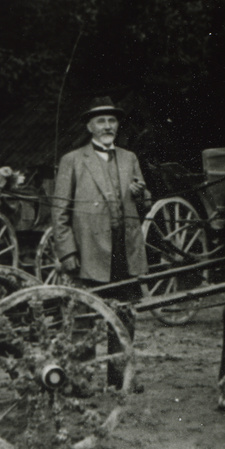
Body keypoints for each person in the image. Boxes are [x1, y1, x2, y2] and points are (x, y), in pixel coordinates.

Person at [52, 96, 148, 391]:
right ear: (90, 126)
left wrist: (139, 194)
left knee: (123, 315)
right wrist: (67, 250)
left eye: (112, 120)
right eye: (101, 121)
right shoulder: (73, 160)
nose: (108, 126)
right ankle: (81, 381)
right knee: (84, 317)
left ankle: (119, 378)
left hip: (124, 249)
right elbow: (59, 212)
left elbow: (145, 205)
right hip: (88, 252)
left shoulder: (130, 158)